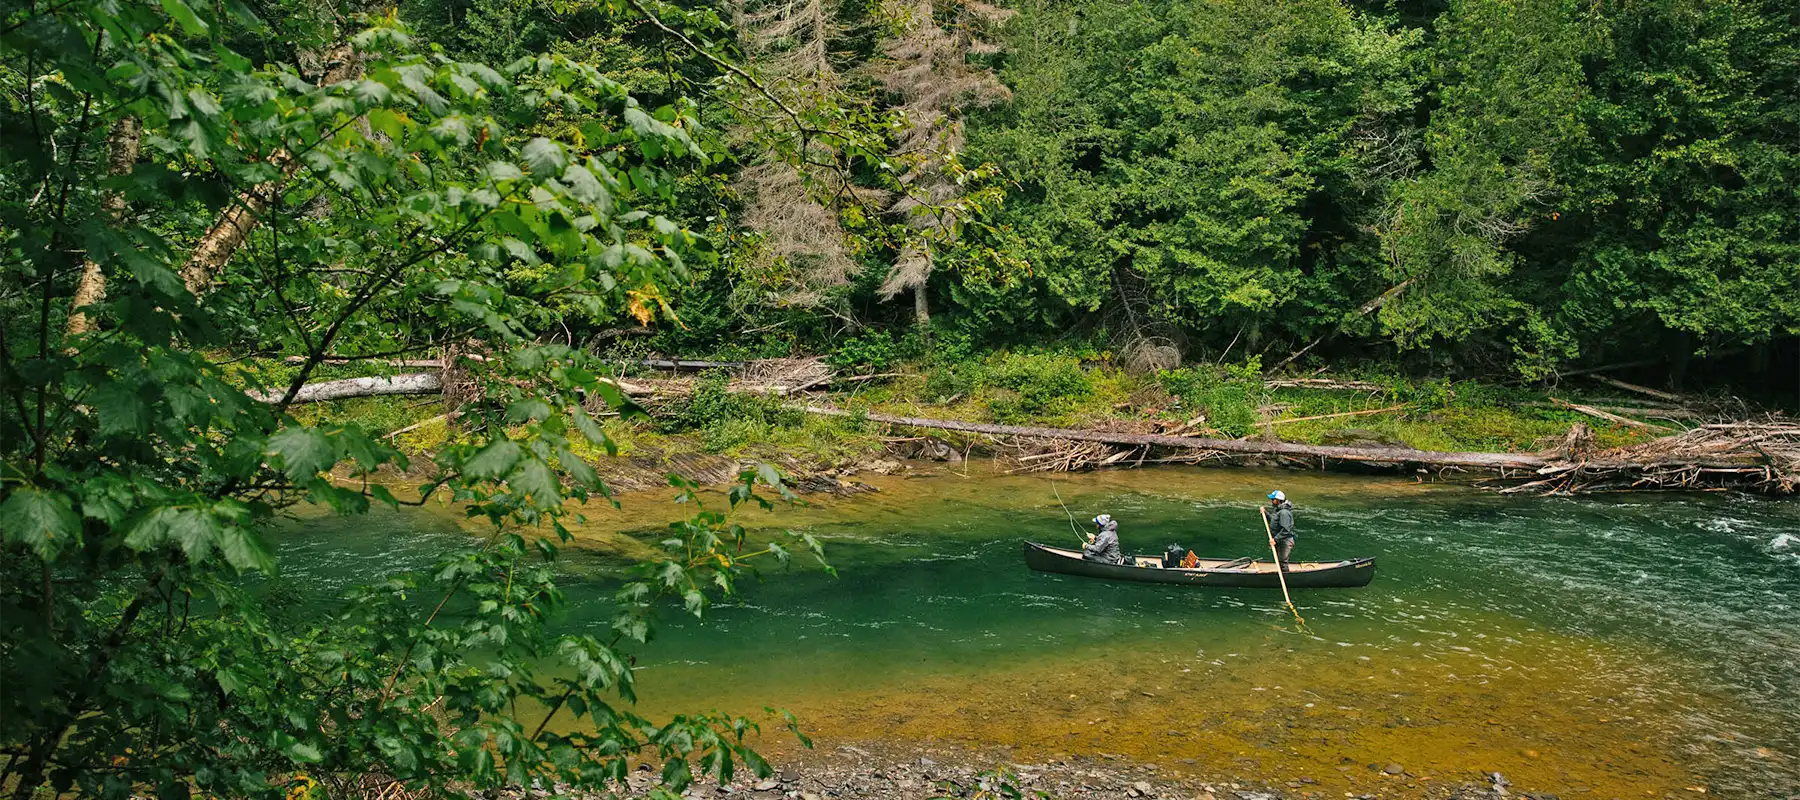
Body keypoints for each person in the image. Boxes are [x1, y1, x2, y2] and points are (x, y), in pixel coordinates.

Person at [1266, 490, 1296, 571]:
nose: (1272, 501)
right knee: (1279, 561)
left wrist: (1275, 539)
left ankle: (1286, 578)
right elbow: (1274, 521)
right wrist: (1265, 514)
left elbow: (1286, 530)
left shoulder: (1284, 513)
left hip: (1285, 541)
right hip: (1280, 540)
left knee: (1282, 562)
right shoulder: (1279, 511)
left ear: (1278, 500)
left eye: (1273, 499)